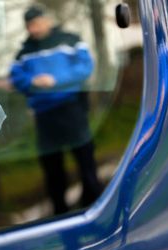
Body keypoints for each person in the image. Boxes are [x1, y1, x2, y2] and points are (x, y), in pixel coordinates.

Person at [10, 5, 103, 215]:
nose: (34, 29)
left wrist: (57, 80)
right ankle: (60, 210)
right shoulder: (23, 53)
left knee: (85, 158)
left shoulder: (69, 40)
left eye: (37, 23)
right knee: (52, 166)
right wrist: (32, 82)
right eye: (29, 25)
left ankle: (94, 202)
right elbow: (16, 78)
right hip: (44, 115)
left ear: (47, 20)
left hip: (72, 108)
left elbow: (85, 66)